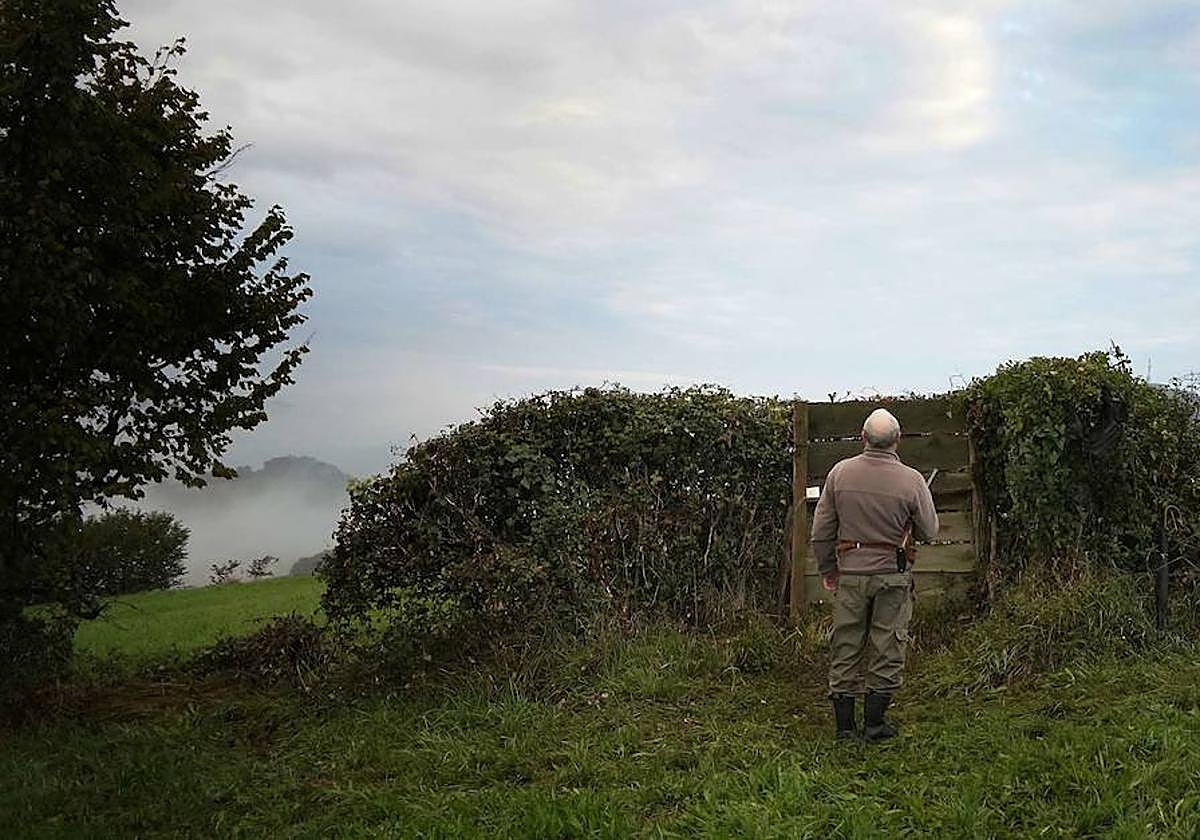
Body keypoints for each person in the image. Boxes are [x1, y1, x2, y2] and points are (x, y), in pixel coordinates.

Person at [809, 408, 939, 741]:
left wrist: (828, 570)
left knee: (846, 643)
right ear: (898, 439)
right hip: (892, 575)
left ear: (863, 437)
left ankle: (845, 728)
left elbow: (821, 532)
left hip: (850, 575)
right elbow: (929, 531)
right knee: (888, 644)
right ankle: (875, 725)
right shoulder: (912, 480)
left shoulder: (839, 473)